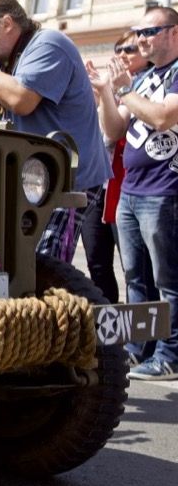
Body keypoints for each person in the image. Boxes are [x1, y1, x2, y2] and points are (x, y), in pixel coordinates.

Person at [0, 0, 111, 264]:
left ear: (7, 23)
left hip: (66, 180)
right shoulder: (4, 64)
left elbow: (20, 100)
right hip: (34, 179)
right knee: (17, 262)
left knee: (43, 266)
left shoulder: (49, 44)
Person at [90, 5, 178, 380]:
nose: (141, 39)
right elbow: (113, 131)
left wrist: (124, 90)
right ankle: (138, 349)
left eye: (149, 32)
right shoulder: (144, 79)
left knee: (168, 279)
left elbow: (162, 117)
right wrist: (106, 93)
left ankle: (171, 355)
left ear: (174, 32)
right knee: (135, 277)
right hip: (131, 189)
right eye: (138, 32)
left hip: (165, 191)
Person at [81, 33, 155, 303]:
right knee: (96, 262)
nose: (122, 54)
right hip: (98, 185)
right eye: (118, 49)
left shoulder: (149, 84)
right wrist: (99, 95)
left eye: (129, 48)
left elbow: (114, 133)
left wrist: (111, 93)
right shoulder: (112, 85)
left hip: (128, 186)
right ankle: (108, 318)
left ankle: (145, 324)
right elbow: (101, 133)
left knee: (135, 269)